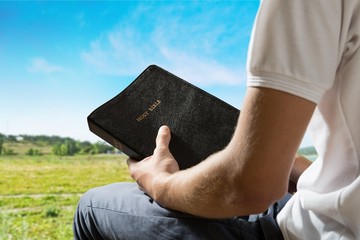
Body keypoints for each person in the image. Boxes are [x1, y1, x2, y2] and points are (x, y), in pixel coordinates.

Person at [73, 1, 360, 239]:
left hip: (319, 231)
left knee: (92, 206)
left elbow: (250, 189)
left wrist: (159, 183)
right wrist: (286, 164)